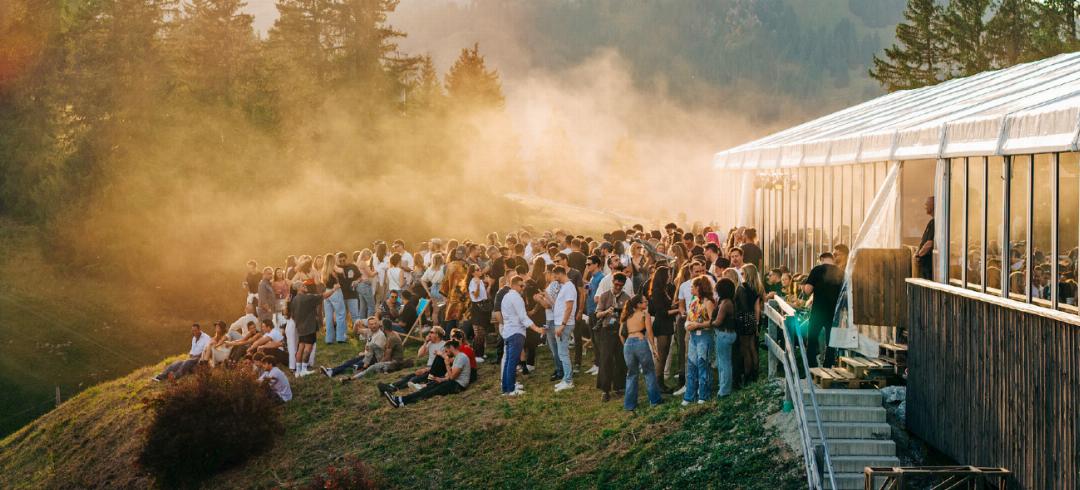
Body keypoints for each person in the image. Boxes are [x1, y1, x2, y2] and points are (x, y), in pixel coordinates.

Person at [383, 340, 471, 408]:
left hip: (458, 386)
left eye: (447, 351)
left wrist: (447, 364)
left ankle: (401, 402)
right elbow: (451, 377)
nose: (446, 353)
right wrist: (442, 379)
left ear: (451, 347)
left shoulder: (461, 358)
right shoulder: (458, 357)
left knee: (428, 392)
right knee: (428, 388)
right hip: (454, 383)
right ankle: (399, 400)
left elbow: (452, 377)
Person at [499, 276, 545, 395]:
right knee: (512, 362)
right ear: (513, 285)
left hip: (508, 332)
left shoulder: (506, 297)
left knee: (509, 361)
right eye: (521, 285)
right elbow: (523, 318)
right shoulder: (516, 298)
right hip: (516, 333)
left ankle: (506, 388)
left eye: (523, 285)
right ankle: (510, 389)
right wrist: (537, 329)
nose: (523, 288)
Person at [620, 294, 662, 411]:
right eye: (644, 302)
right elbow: (649, 333)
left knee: (631, 374)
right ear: (638, 304)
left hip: (628, 344)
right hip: (640, 341)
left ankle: (629, 405)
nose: (646, 303)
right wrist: (654, 349)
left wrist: (626, 346)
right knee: (649, 372)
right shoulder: (645, 314)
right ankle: (654, 401)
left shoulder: (627, 316)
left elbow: (620, 334)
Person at [803, 253, 844, 368]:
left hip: (818, 312)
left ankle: (811, 367)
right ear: (832, 259)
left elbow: (807, 290)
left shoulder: (817, 270)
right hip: (834, 313)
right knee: (831, 341)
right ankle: (828, 366)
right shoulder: (841, 272)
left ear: (821, 259)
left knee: (811, 339)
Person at [594, 273, 630, 402]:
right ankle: (605, 389)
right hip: (606, 330)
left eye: (621, 285)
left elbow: (629, 316)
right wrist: (606, 312)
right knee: (606, 359)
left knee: (620, 358)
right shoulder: (604, 296)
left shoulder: (626, 298)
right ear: (612, 282)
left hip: (620, 331)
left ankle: (619, 386)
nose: (618, 287)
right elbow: (597, 314)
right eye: (616, 284)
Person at [378, 327, 447, 393]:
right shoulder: (430, 343)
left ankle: (394, 389)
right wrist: (425, 342)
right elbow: (420, 355)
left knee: (414, 379)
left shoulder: (444, 345)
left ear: (437, 334)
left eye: (431, 332)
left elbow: (442, 362)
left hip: (434, 370)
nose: (429, 334)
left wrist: (426, 369)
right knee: (410, 376)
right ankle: (391, 385)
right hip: (428, 367)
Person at [292, 278, 337, 377]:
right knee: (308, 347)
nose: (306, 287)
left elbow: (292, 314)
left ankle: (298, 371)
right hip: (309, 326)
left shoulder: (295, 299)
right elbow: (324, 296)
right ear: (299, 288)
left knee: (300, 348)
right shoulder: (307, 298)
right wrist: (334, 289)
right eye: (303, 286)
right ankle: (304, 369)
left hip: (300, 327)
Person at [682, 276, 715, 405]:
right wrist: (688, 325)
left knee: (703, 364)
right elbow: (689, 317)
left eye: (693, 286)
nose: (691, 288)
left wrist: (698, 325)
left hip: (704, 336)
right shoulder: (694, 301)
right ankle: (690, 395)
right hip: (693, 336)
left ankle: (704, 394)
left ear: (699, 287)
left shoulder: (709, 302)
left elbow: (712, 321)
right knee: (691, 365)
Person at [321, 317, 385, 378]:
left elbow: (377, 352)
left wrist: (364, 353)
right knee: (349, 362)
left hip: (373, 358)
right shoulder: (369, 331)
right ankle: (332, 370)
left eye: (375, 323)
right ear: (368, 326)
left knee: (354, 366)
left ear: (378, 324)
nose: (374, 325)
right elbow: (357, 331)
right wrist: (357, 323)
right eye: (371, 324)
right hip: (367, 355)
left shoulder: (380, 335)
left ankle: (333, 371)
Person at [647, 265, 677, 393]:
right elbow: (662, 312)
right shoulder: (657, 291)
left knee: (665, 354)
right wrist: (678, 310)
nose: (670, 276)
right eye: (668, 274)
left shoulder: (667, 289)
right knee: (661, 354)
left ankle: (661, 383)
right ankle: (657, 383)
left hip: (668, 323)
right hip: (661, 324)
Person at [735, 263, 764, 385]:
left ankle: (747, 376)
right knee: (752, 348)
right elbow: (757, 308)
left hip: (743, 319)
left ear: (746, 274)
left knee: (745, 350)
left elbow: (741, 306)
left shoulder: (741, 288)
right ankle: (755, 374)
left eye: (742, 273)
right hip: (752, 318)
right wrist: (757, 324)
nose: (740, 275)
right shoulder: (756, 288)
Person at [551, 266, 578, 391]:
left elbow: (569, 307)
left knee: (563, 352)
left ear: (560, 273)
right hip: (561, 323)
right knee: (562, 352)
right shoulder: (565, 287)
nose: (555, 279)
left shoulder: (569, 287)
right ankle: (566, 378)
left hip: (564, 324)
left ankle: (568, 380)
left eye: (556, 276)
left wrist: (562, 324)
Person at [712, 278, 739, 397]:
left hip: (724, 334)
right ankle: (723, 386)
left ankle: (725, 390)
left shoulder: (726, 303)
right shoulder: (727, 301)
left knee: (724, 363)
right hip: (727, 334)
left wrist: (705, 324)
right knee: (723, 362)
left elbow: (718, 321)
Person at [466, 264, 490, 362]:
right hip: (477, 307)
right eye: (477, 269)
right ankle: (476, 355)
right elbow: (475, 296)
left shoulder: (480, 281)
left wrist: (488, 284)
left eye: (480, 269)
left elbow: (485, 295)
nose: (480, 270)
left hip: (483, 306)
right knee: (478, 332)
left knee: (482, 331)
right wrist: (479, 285)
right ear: (473, 273)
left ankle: (481, 353)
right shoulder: (473, 282)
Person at [915, 196, 935, 280]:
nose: (925, 205)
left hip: (928, 265)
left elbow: (929, 243)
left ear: (933, 205)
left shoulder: (934, 223)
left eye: (927, 203)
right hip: (926, 265)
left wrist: (918, 255)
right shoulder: (932, 222)